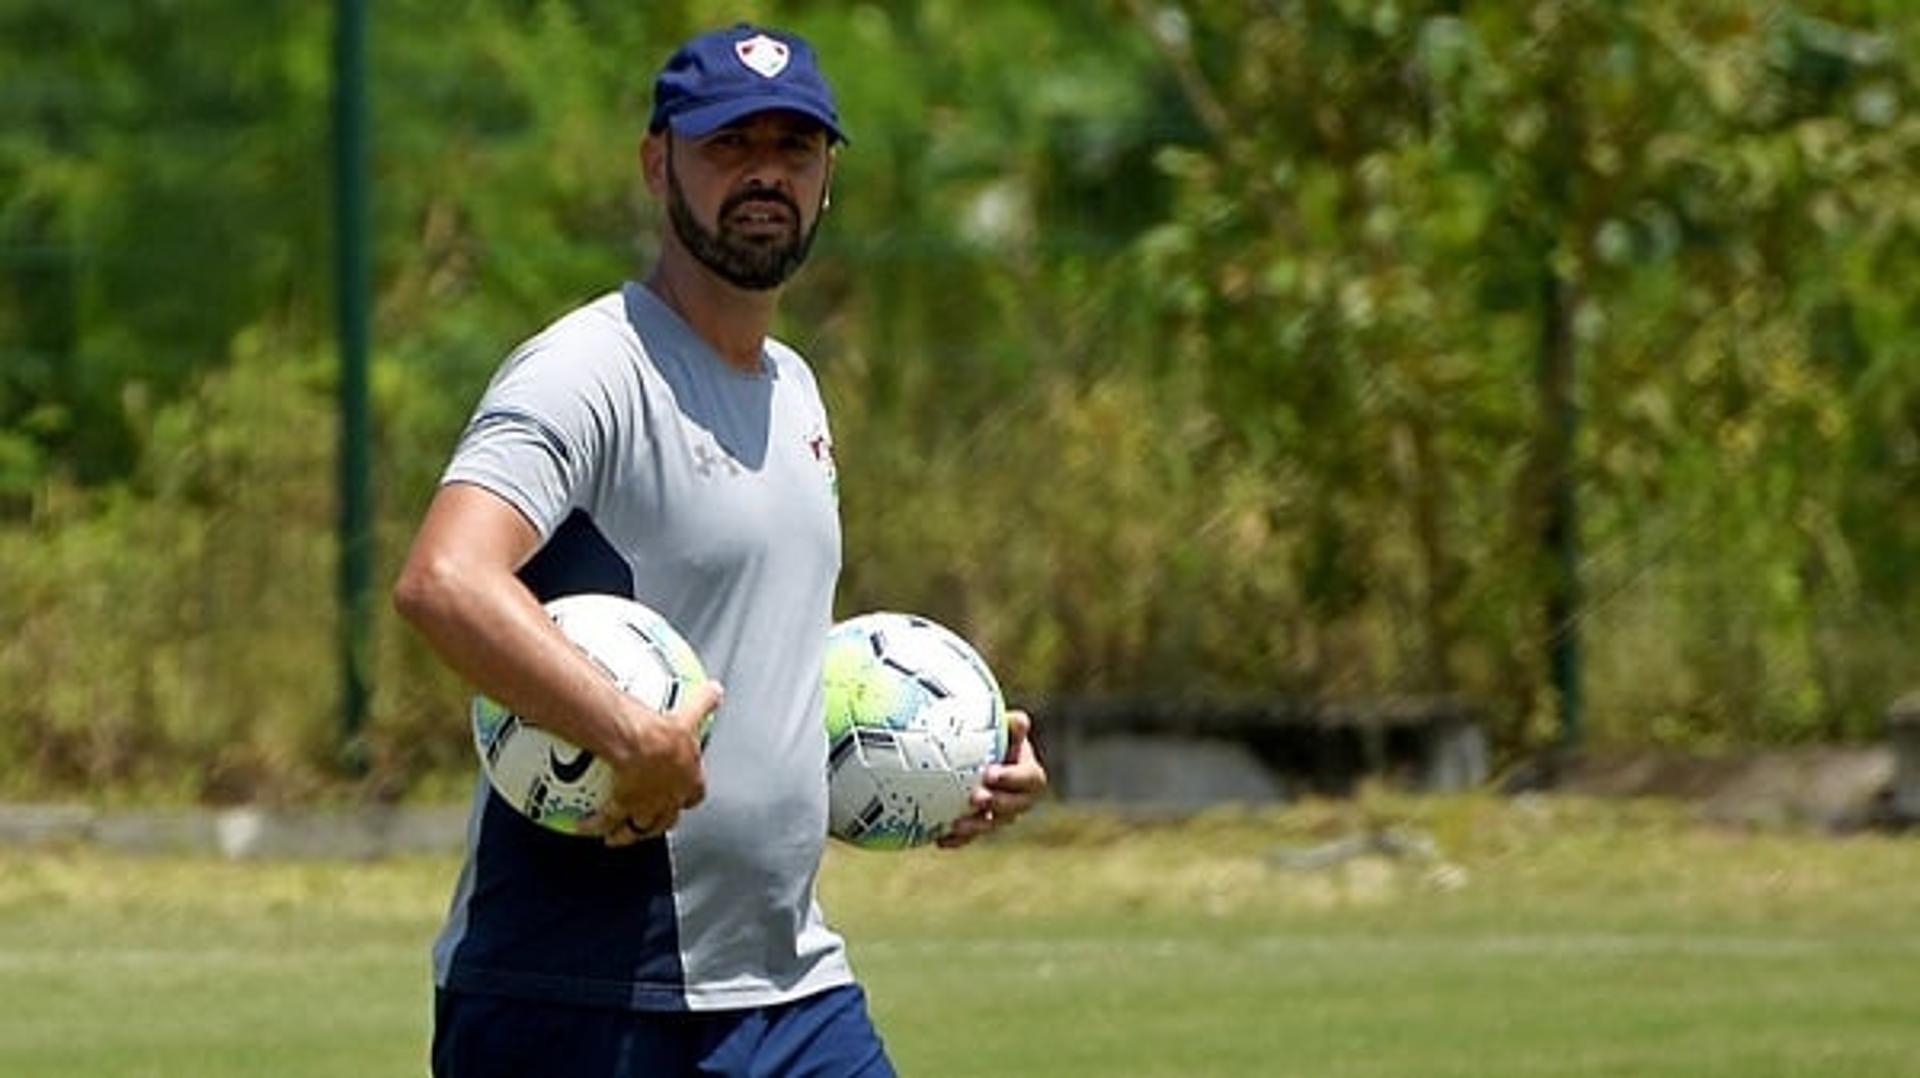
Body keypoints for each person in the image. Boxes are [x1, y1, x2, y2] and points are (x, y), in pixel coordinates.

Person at [392, 22, 1049, 1078]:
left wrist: (945, 764)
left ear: (827, 178)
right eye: (729, 145)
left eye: (794, 150)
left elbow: (767, 657)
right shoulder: (586, 370)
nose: (764, 175)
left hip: (789, 991)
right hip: (576, 994)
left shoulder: (794, 390)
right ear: (660, 165)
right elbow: (444, 580)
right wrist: (628, 733)